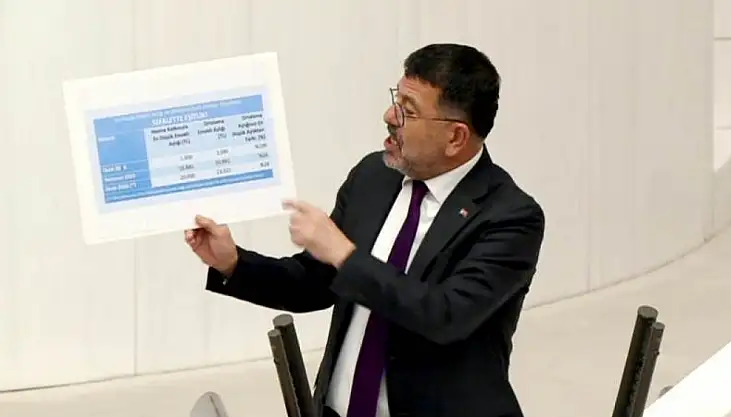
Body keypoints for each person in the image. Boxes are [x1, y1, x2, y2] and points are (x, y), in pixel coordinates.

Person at [185, 43, 545, 417]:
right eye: (395, 99)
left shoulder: (510, 217)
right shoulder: (374, 176)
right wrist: (233, 263)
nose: (389, 116)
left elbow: (444, 315)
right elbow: (316, 281)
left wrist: (344, 253)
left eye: (408, 110)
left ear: (455, 137)